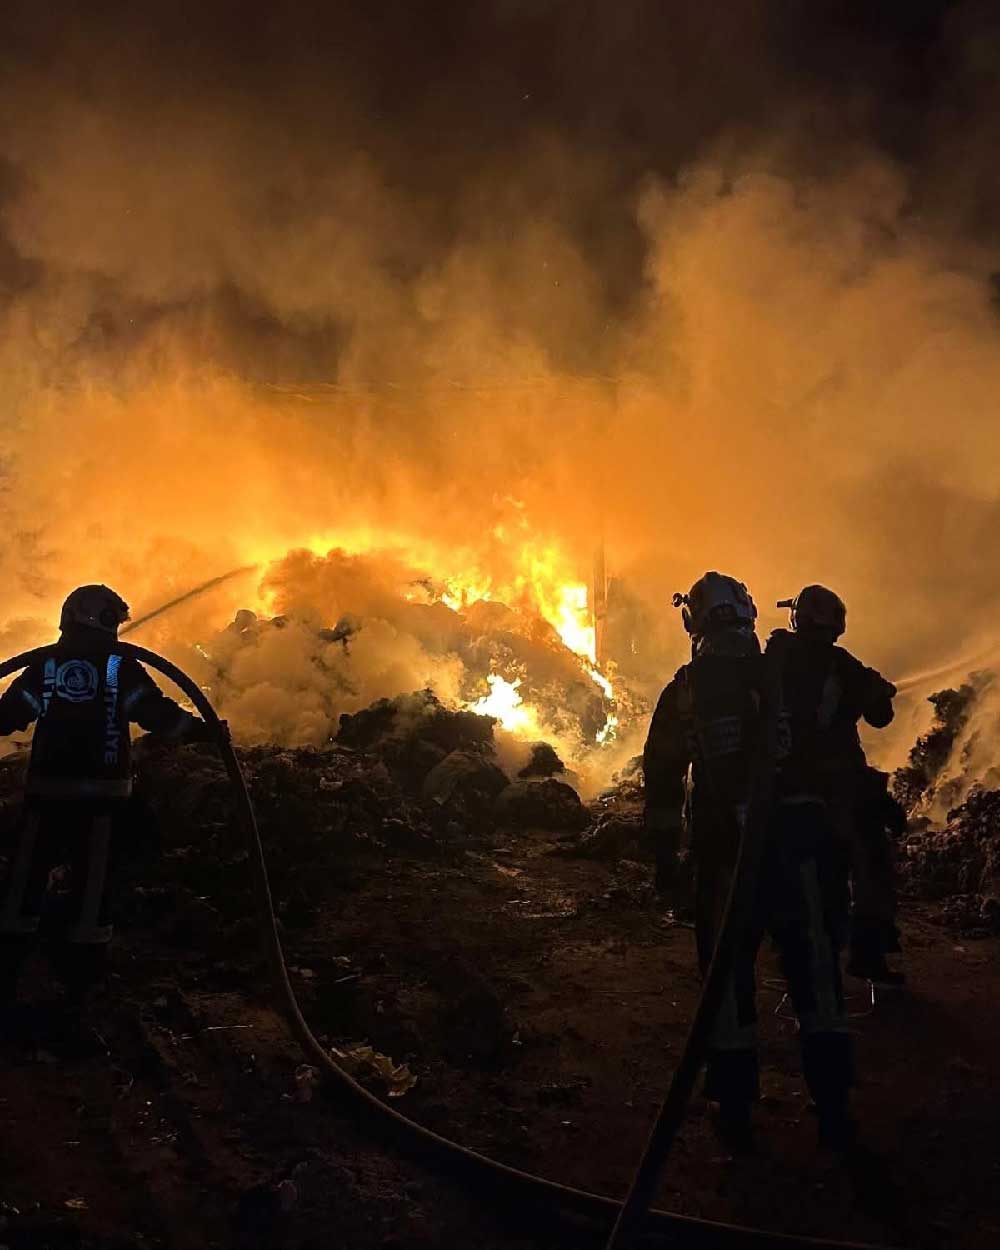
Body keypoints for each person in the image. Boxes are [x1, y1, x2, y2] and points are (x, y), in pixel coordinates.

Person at [644, 572, 855, 1152]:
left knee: (726, 977)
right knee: (815, 971)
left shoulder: (686, 690)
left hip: (724, 859)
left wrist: (664, 858)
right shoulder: (790, 673)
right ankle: (834, 1104)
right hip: (796, 852)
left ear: (694, 623)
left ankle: (735, 1105)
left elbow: (661, 778)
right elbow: (838, 743)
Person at [0, 584, 222, 1046]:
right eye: (112, 620)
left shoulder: (47, 666)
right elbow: (158, 715)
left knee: (24, 884)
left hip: (47, 795)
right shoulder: (120, 667)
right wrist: (205, 733)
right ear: (98, 618)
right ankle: (76, 1000)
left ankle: (10, 978)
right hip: (102, 801)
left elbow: (9, 715)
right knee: (91, 894)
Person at [771, 586, 901, 983]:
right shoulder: (839, 664)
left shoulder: (771, 660)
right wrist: (878, 690)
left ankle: (787, 951)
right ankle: (867, 951)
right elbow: (881, 716)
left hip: (781, 786)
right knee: (871, 860)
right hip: (838, 786)